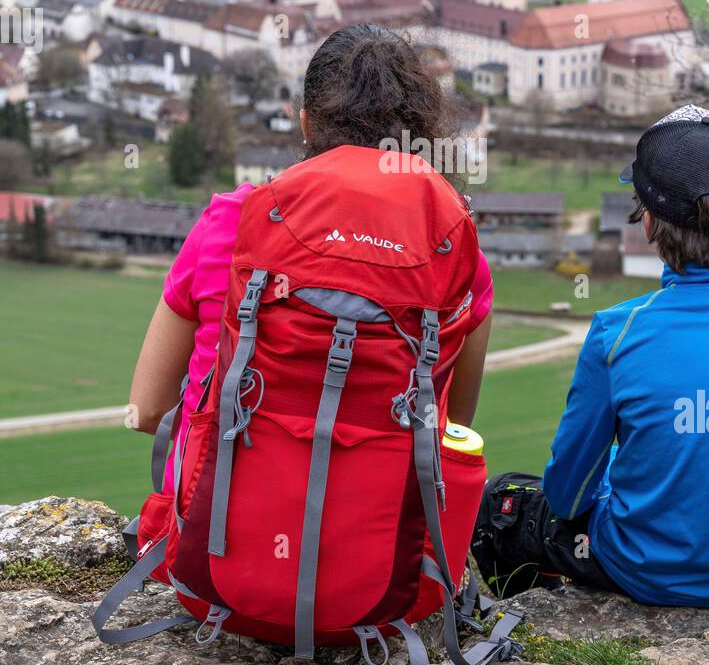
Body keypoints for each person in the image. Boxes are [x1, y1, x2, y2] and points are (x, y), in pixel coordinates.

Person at [472, 105, 709, 607]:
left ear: (647, 223)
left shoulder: (615, 334)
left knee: (502, 502)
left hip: (647, 571)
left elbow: (568, 497)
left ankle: (527, 615)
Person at [129, 24, 493, 477]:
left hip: (214, 531)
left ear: (305, 123)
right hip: (379, 538)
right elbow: (452, 426)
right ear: (421, 136)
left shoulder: (229, 221)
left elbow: (146, 410)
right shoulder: (456, 252)